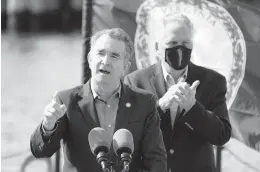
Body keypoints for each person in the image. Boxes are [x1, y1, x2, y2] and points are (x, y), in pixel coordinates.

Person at [30, 28, 167, 172]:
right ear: (90, 60)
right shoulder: (66, 101)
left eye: (114, 56)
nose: (105, 61)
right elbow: (41, 151)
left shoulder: (144, 102)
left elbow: (156, 160)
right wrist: (48, 126)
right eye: (100, 53)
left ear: (125, 66)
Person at [124, 14, 232, 172]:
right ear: (157, 47)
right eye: (172, 43)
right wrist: (159, 107)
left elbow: (222, 135)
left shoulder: (213, 81)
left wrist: (193, 109)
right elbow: (130, 135)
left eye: (186, 43)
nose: (180, 49)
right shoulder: (135, 81)